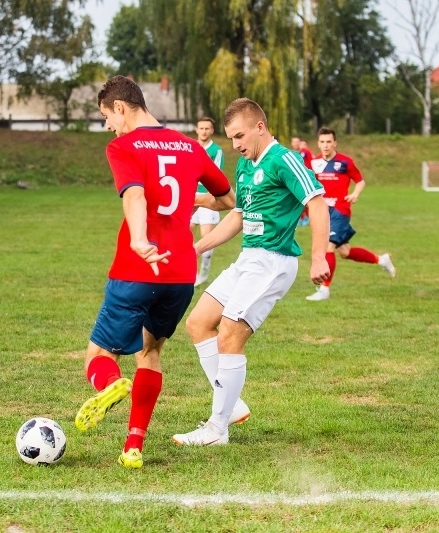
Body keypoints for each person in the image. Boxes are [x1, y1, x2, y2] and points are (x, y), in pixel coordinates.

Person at [74, 76, 235, 468]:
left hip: (138, 268)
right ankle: (133, 446)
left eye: (107, 117)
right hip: (180, 274)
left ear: (121, 107)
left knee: (98, 354)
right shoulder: (190, 146)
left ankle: (111, 384)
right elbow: (227, 198)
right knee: (150, 351)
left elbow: (134, 194)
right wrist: (193, 199)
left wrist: (139, 238)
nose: (108, 126)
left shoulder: (123, 146)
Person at [172, 98, 331, 446]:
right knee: (198, 323)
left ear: (260, 127)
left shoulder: (284, 159)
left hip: (273, 262)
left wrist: (319, 256)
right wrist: (196, 248)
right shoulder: (245, 166)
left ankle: (217, 429)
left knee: (230, 334)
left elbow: (317, 204)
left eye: (240, 136)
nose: (235, 144)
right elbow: (238, 216)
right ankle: (232, 405)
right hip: (248, 260)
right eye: (231, 138)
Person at [305, 127, 396, 302]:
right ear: (318, 144)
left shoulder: (345, 162)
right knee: (345, 252)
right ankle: (381, 260)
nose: (325, 145)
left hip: (340, 210)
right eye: (322, 142)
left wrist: (355, 193)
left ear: (335, 143)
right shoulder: (314, 163)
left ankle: (324, 290)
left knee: (328, 247)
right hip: (324, 212)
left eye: (329, 142)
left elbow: (360, 181)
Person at [192, 117, 224, 287]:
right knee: (186, 236)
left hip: (208, 197)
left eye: (207, 128)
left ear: (212, 131)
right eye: (201, 128)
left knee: (206, 238)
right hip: (191, 196)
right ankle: (191, 273)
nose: (204, 131)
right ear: (196, 130)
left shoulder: (216, 151)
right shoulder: (190, 147)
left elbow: (216, 174)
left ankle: (204, 273)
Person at [290, 137, 313, 226]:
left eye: (297, 142)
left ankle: (308, 217)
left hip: (307, 179)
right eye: (294, 142)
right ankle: (300, 218)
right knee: (297, 199)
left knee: (308, 198)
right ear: (292, 143)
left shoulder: (306, 152)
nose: (296, 144)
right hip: (295, 180)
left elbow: (312, 163)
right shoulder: (290, 154)